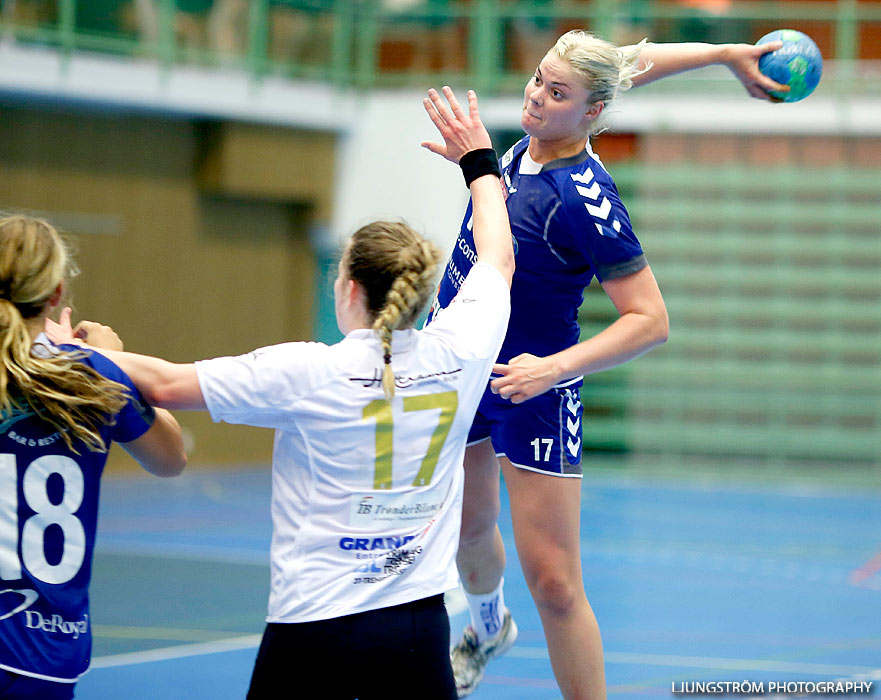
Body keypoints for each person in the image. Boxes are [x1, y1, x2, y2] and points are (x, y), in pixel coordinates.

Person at [46, 86, 515, 700]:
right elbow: (498, 259)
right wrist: (479, 162)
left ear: (347, 287)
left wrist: (72, 346)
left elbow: (161, 382)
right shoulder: (461, 351)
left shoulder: (304, 373)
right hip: (417, 629)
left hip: (314, 631)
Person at [424, 32, 791, 699]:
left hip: (533, 381)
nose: (536, 97)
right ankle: (485, 628)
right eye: (537, 80)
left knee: (555, 583)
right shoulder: (518, 147)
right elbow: (625, 68)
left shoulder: (585, 196)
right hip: (455, 361)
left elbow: (650, 320)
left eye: (556, 93)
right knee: (466, 529)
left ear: (591, 113)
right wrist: (721, 53)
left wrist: (552, 369)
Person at [0, 215, 187, 700]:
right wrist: (114, 362)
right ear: (57, 293)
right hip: (43, 649)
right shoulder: (95, 377)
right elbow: (170, 458)